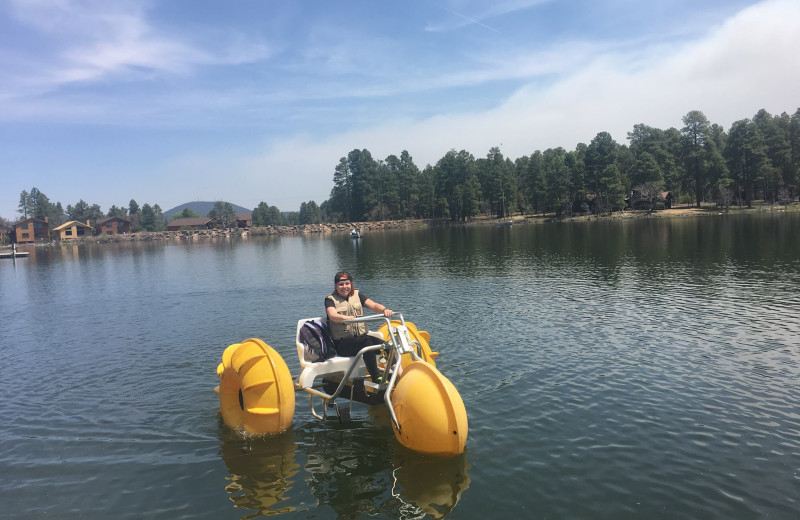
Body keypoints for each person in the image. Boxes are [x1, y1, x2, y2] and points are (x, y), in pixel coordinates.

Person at [325, 271, 393, 383]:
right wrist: (345, 318)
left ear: (351, 284)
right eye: (341, 284)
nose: (344, 287)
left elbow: (374, 305)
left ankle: (400, 376)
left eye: (347, 283)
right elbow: (332, 315)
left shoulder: (358, 296)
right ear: (336, 286)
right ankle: (376, 378)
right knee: (366, 342)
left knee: (386, 346)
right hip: (343, 345)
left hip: (360, 339)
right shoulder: (330, 300)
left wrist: (384, 310)